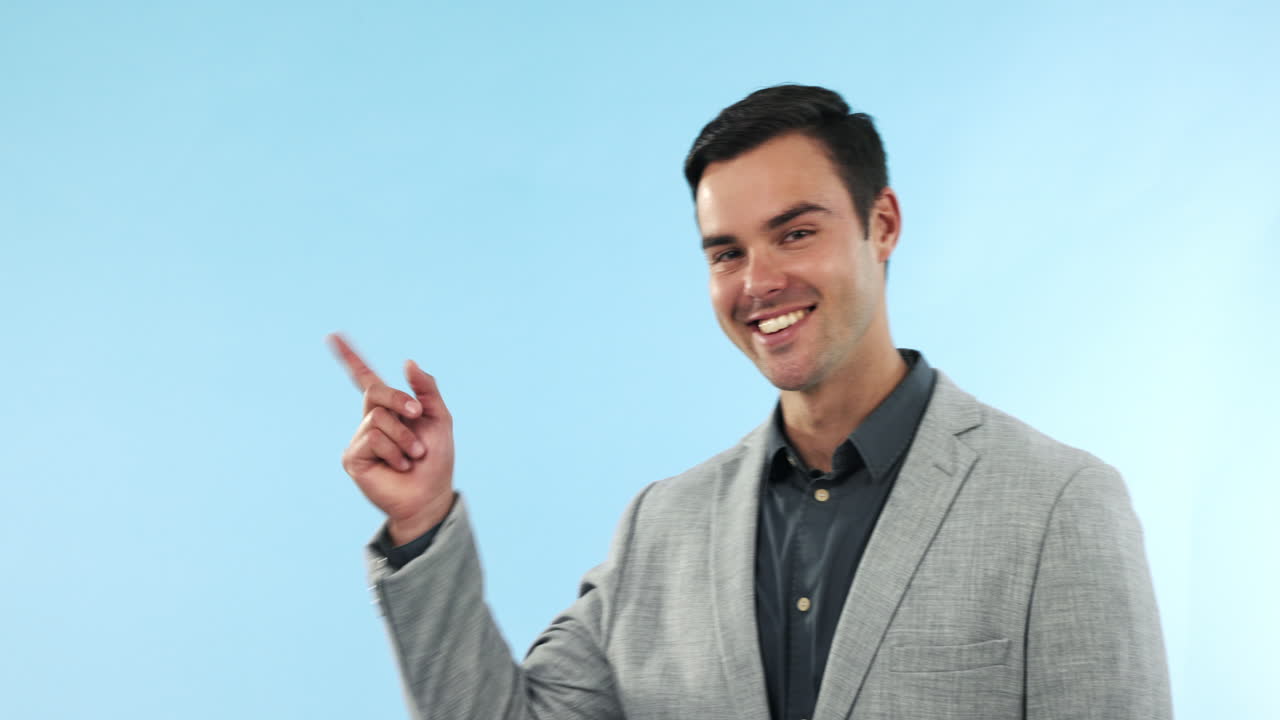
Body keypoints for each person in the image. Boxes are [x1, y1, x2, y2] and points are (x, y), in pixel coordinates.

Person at [329, 84, 1172, 720]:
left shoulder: (1060, 505)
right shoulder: (661, 527)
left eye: (795, 233)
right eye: (726, 253)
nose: (759, 282)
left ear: (883, 224)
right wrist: (423, 522)